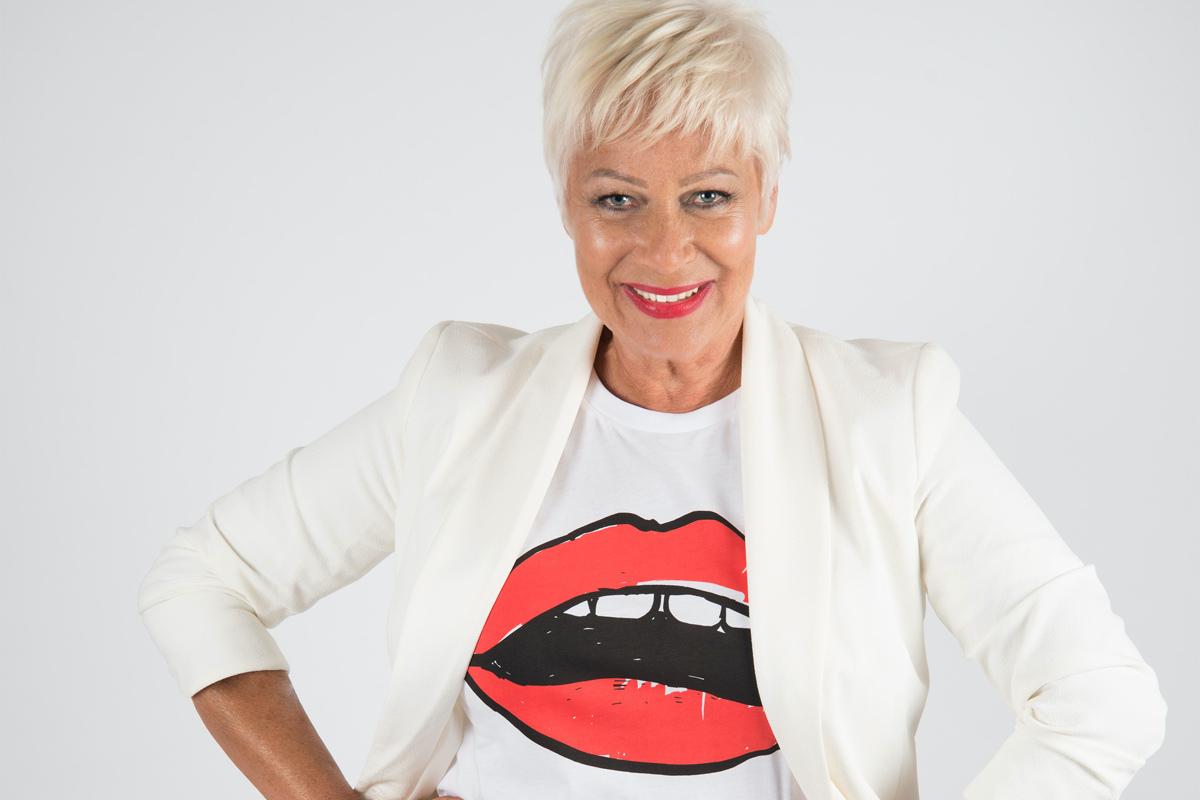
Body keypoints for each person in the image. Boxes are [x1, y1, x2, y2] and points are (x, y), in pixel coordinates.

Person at [138, 1, 1167, 798]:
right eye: (617, 198)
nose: (665, 250)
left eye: (709, 195)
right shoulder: (459, 398)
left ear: (768, 194)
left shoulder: (888, 419)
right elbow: (203, 581)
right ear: (566, 201)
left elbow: (1102, 700)